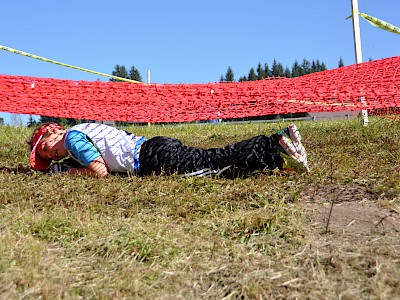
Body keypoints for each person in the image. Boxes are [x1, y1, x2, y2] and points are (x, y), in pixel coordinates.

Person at [27, 122, 309, 178]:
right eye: (48, 159)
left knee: (213, 166)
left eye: (46, 150)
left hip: (151, 157)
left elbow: (99, 170)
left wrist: (67, 173)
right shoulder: (82, 128)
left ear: (52, 131)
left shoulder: (73, 142)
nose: (52, 157)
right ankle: (280, 153)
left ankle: (275, 147)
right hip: (153, 147)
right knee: (212, 160)